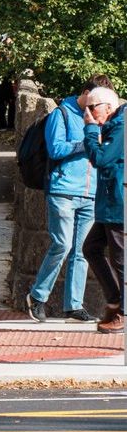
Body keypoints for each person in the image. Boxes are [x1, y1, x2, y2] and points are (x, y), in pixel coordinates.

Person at [25, 76, 105, 323]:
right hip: (63, 190)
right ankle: (37, 297)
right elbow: (55, 149)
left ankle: (73, 306)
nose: (96, 107)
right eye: (93, 101)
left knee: (82, 251)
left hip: (90, 193)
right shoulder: (62, 114)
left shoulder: (102, 115)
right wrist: (87, 142)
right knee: (62, 245)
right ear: (84, 93)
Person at [81, 85, 125, 334]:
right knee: (91, 248)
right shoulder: (112, 125)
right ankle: (115, 300)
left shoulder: (120, 126)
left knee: (120, 260)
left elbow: (101, 159)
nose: (88, 112)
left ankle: (123, 312)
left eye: (92, 107)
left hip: (119, 204)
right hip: (109, 203)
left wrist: (89, 130)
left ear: (109, 107)